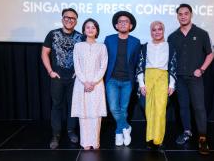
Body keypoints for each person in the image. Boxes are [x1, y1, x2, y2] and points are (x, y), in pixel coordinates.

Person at [167, 3, 214, 155]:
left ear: (191, 15)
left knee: (199, 107)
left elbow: (210, 53)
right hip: (179, 79)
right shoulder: (172, 37)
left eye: (185, 13)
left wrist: (201, 69)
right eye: (180, 14)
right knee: (183, 107)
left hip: (195, 79)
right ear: (177, 16)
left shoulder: (201, 33)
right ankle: (187, 132)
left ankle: (202, 137)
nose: (183, 16)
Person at [41, 8, 86, 149]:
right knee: (57, 106)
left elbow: (85, 57)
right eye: (67, 17)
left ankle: (71, 131)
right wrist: (50, 71)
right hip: (57, 77)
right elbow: (44, 53)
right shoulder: (53, 34)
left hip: (74, 78)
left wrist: (79, 72)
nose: (69, 20)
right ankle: (56, 135)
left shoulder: (80, 37)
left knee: (73, 106)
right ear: (62, 19)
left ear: (76, 21)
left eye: (72, 18)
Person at [136, 21, 177, 149]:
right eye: (154, 30)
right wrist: (141, 84)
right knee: (149, 110)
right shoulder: (145, 46)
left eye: (159, 29)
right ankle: (150, 137)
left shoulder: (170, 46)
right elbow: (140, 65)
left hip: (162, 78)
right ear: (151, 32)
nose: (157, 32)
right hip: (148, 77)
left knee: (160, 110)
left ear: (163, 31)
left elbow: (173, 65)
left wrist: (172, 84)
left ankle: (158, 139)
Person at [104, 11, 141, 146]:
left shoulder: (136, 42)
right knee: (114, 108)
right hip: (112, 80)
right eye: (120, 21)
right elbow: (104, 59)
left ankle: (119, 133)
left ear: (130, 26)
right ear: (116, 25)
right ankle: (126, 127)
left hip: (128, 81)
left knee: (124, 108)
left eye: (126, 21)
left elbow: (137, 62)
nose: (123, 23)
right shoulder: (109, 39)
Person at [71, 18, 108, 150]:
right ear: (84, 30)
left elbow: (103, 66)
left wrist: (93, 82)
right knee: (84, 112)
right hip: (81, 84)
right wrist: (85, 82)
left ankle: (95, 142)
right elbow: (77, 66)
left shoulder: (102, 46)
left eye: (93, 27)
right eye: (88, 27)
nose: (90, 29)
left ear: (97, 30)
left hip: (97, 84)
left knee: (95, 114)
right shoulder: (78, 46)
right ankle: (85, 142)